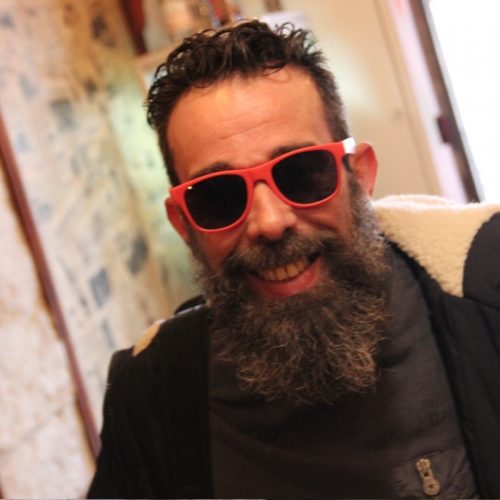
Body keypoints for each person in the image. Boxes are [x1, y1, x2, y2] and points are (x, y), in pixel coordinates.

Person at [87, 20, 500, 499]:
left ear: (360, 176)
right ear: (184, 223)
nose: (269, 222)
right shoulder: (153, 395)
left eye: (301, 173)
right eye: (219, 196)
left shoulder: (486, 294)